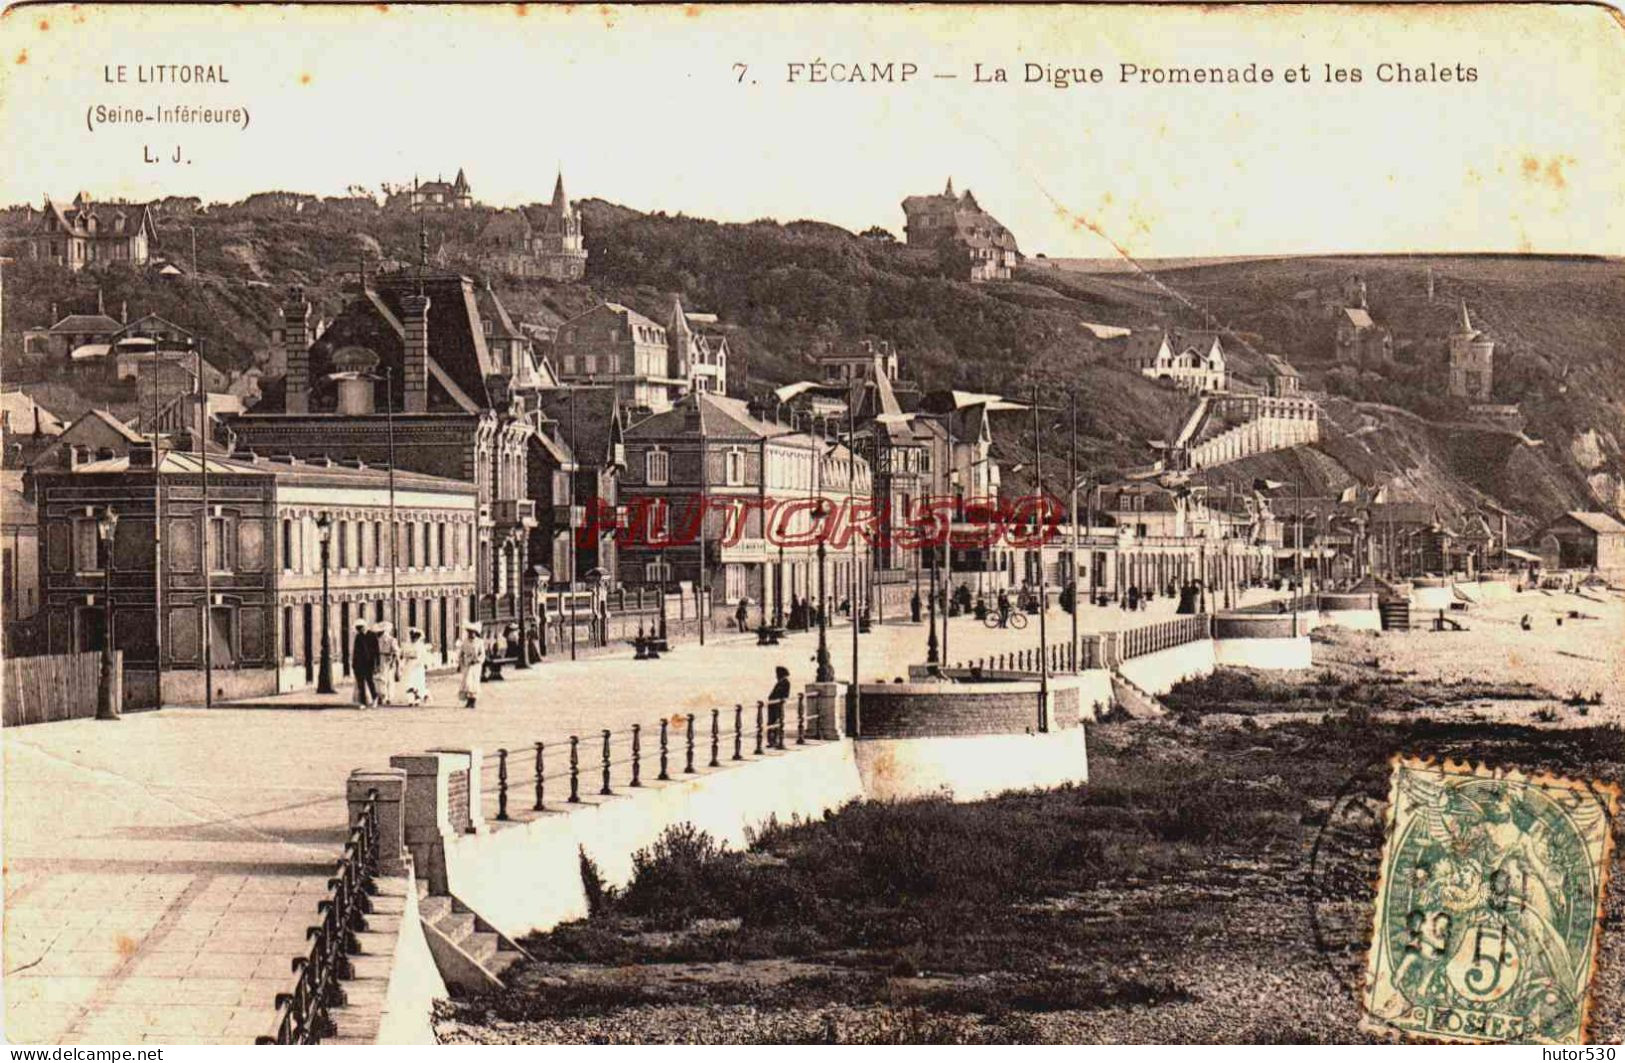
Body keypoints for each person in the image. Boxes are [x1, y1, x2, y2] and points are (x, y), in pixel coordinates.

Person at [399, 628, 431, 705]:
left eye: (415, 637)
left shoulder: (420, 646)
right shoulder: (407, 645)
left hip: (418, 665)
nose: (413, 638)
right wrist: (402, 660)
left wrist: (426, 664)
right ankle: (411, 699)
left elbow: (424, 656)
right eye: (412, 636)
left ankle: (419, 697)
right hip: (409, 665)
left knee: (417, 683)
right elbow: (403, 654)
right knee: (409, 682)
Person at [350, 619, 378, 708]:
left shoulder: (372, 635)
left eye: (360, 627)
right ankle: (363, 702)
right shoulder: (358, 636)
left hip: (369, 663)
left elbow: (376, 651)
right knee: (360, 683)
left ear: (364, 626)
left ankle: (375, 698)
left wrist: (376, 664)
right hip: (359, 663)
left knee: (370, 681)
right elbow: (355, 651)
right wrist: (354, 663)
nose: (359, 630)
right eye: (358, 628)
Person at [458, 622, 486, 709]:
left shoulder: (479, 642)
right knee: (467, 682)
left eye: (472, 632)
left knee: (474, 682)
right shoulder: (465, 642)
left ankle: (473, 700)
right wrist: (461, 663)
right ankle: (468, 700)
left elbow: (482, 654)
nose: (471, 634)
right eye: (469, 632)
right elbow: (461, 654)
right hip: (467, 664)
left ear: (475, 633)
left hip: (476, 665)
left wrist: (477, 660)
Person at [375, 622, 400, 706]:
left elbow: (396, 652)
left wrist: (394, 661)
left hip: (387, 659)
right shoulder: (377, 639)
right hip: (380, 659)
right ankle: (383, 696)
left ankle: (387, 696)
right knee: (382, 678)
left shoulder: (391, 640)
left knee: (386, 678)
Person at [767, 665, 791, 748]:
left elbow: (785, 695)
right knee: (772, 722)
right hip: (773, 705)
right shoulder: (781, 682)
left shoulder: (785, 682)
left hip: (777, 705)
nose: (776, 676)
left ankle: (775, 740)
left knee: (776, 722)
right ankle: (772, 741)